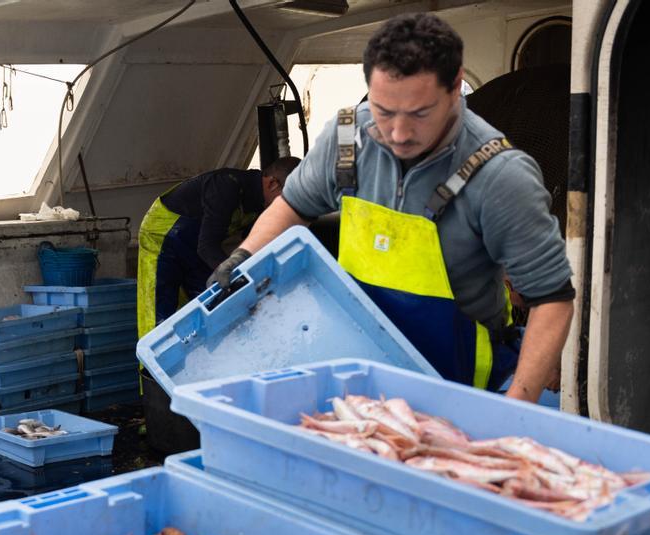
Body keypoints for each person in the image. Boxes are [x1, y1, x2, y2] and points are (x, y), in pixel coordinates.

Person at [209, 13, 574, 403]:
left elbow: (551, 300)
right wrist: (244, 255)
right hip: (360, 356)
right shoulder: (346, 140)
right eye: (384, 110)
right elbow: (291, 207)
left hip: (457, 376)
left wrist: (517, 403)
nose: (398, 134)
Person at [137, 157, 300, 337]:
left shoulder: (261, 204)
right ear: (272, 184)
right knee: (159, 306)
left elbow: (253, 244)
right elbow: (207, 246)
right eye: (287, 196)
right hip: (163, 233)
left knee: (209, 301)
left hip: (197, 244)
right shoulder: (226, 186)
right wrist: (238, 277)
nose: (287, 205)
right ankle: (150, 362)